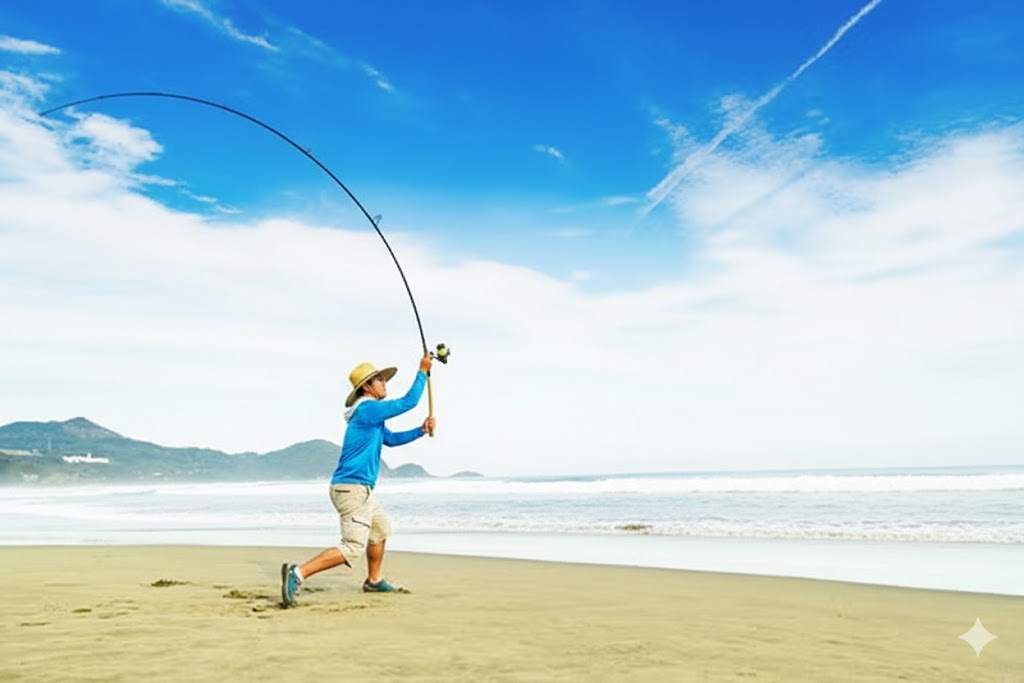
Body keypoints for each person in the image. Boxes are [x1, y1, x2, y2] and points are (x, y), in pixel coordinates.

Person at [280, 352, 435, 607]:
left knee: (380, 529)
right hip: (351, 489)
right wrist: (422, 370)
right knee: (353, 546)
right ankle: (298, 573)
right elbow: (408, 402)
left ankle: (373, 580)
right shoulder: (367, 409)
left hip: (360, 490)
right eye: (381, 381)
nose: (385, 384)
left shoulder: (371, 417)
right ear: (367, 387)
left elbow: (391, 440)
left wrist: (420, 430)